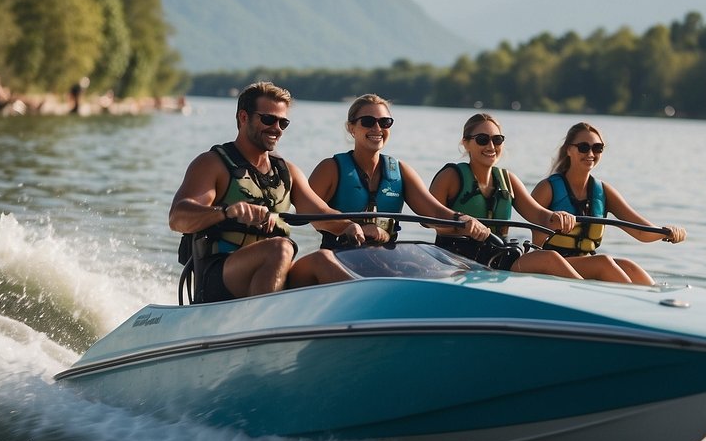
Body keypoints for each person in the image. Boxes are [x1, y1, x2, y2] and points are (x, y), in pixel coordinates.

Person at [169, 81, 364, 303]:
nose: (277, 128)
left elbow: (321, 213)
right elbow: (177, 218)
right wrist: (226, 212)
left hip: (274, 270)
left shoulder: (288, 171)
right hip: (221, 275)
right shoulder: (211, 164)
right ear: (244, 118)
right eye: (269, 119)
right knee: (280, 247)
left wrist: (348, 225)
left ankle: (373, 315)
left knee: (324, 259)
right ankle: (260, 327)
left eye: (284, 123)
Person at [307, 94, 491, 249]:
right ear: (351, 128)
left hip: (386, 261)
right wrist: (350, 227)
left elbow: (433, 212)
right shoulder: (330, 168)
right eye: (368, 121)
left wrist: (462, 219)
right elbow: (309, 213)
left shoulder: (401, 171)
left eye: (385, 122)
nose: (377, 128)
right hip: (340, 258)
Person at [429, 113, 583, 279]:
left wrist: (558, 216)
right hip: (454, 260)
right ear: (466, 143)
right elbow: (427, 218)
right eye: (482, 139)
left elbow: (539, 215)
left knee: (550, 257)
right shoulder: (451, 176)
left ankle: (585, 300)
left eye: (497, 140)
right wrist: (460, 222)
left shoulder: (508, 180)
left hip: (497, 258)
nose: (491, 146)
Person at [530, 121, 686, 285]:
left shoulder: (603, 192)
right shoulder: (547, 188)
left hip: (586, 263)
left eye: (597, 148)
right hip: (551, 264)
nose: (591, 153)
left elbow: (641, 231)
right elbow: (536, 240)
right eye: (584, 147)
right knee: (603, 262)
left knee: (629, 266)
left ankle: (655, 299)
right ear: (569, 150)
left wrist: (667, 232)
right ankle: (630, 305)